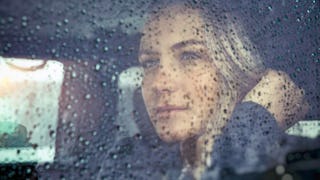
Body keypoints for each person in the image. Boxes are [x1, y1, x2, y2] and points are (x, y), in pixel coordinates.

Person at [138, 1, 309, 179]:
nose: (159, 83)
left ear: (238, 68)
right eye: (149, 62)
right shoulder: (127, 160)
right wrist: (255, 123)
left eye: (190, 56)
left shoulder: (300, 164)